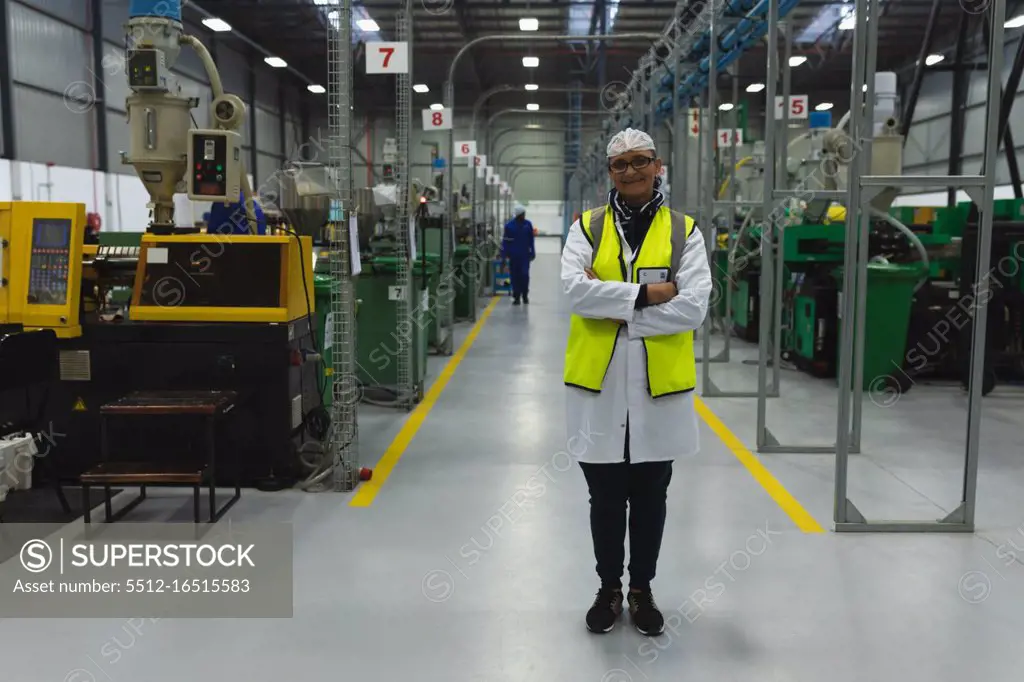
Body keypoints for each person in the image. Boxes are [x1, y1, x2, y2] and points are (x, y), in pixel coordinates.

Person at [560, 128, 712, 636]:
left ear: (657, 165)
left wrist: (619, 311)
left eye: (640, 161)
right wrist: (648, 297)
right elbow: (573, 293)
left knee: (651, 499)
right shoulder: (586, 226)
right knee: (603, 500)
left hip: (657, 392)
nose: (631, 171)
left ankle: (642, 589)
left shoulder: (684, 231)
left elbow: (693, 307)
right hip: (598, 390)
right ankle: (608, 589)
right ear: (610, 172)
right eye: (620, 164)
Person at [501, 204, 536, 305]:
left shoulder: (528, 224)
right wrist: (503, 256)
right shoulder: (509, 226)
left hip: (525, 256)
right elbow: (505, 242)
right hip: (514, 256)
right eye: (523, 214)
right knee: (515, 277)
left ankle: (525, 294)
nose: (524, 216)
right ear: (518, 215)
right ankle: (516, 296)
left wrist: (533, 252)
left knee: (525, 275)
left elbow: (531, 240)